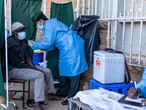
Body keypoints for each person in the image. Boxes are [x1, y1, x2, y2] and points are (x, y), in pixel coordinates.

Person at [29, 12, 88, 105]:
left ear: (40, 20)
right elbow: (51, 46)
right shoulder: (49, 25)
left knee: (74, 72)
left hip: (72, 47)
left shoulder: (49, 24)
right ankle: (62, 93)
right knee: (64, 70)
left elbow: (48, 42)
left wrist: (34, 45)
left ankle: (72, 99)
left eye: (37, 24)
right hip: (66, 47)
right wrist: (39, 46)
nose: (37, 26)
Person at [1, 22, 60, 110]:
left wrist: (33, 67)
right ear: (14, 32)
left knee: (47, 71)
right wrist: (34, 70)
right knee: (39, 75)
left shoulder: (22, 41)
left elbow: (27, 56)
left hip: (22, 66)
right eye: (20, 30)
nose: (23, 32)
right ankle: (37, 103)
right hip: (12, 70)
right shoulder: (9, 44)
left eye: (23, 30)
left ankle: (51, 94)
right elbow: (16, 63)